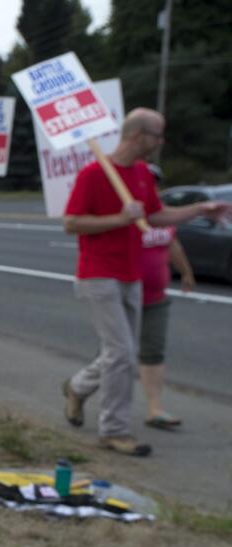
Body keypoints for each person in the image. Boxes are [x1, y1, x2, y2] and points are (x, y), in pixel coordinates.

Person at [61, 107, 232, 456]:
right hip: (97, 274)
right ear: (139, 135)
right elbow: (72, 222)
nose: (161, 141)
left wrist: (200, 210)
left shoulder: (141, 174)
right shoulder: (94, 174)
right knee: (122, 353)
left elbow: (157, 216)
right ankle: (113, 430)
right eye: (157, 135)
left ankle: (77, 388)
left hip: (131, 275)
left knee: (118, 353)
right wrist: (119, 218)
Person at [138, 166, 197, 429]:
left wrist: (186, 273)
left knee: (153, 351)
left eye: (156, 184)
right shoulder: (129, 212)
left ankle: (155, 410)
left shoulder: (162, 215)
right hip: (124, 294)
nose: (153, 187)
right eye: (148, 182)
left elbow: (172, 244)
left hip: (155, 296)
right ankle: (79, 390)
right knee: (112, 355)